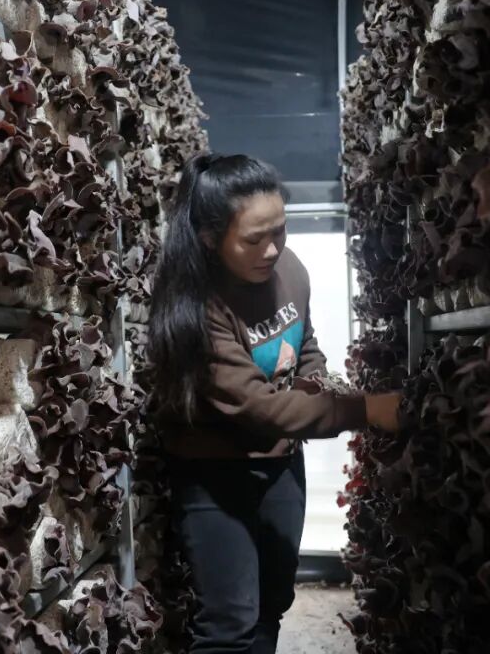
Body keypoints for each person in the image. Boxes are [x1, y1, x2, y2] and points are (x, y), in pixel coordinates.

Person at [147, 153, 401, 654]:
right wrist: (363, 409)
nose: (271, 249)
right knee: (228, 624)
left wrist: (313, 380)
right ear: (209, 238)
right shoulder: (195, 309)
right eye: (253, 239)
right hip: (216, 472)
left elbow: (304, 340)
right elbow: (259, 407)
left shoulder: (289, 268)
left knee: (272, 602)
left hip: (282, 463)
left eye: (279, 231)